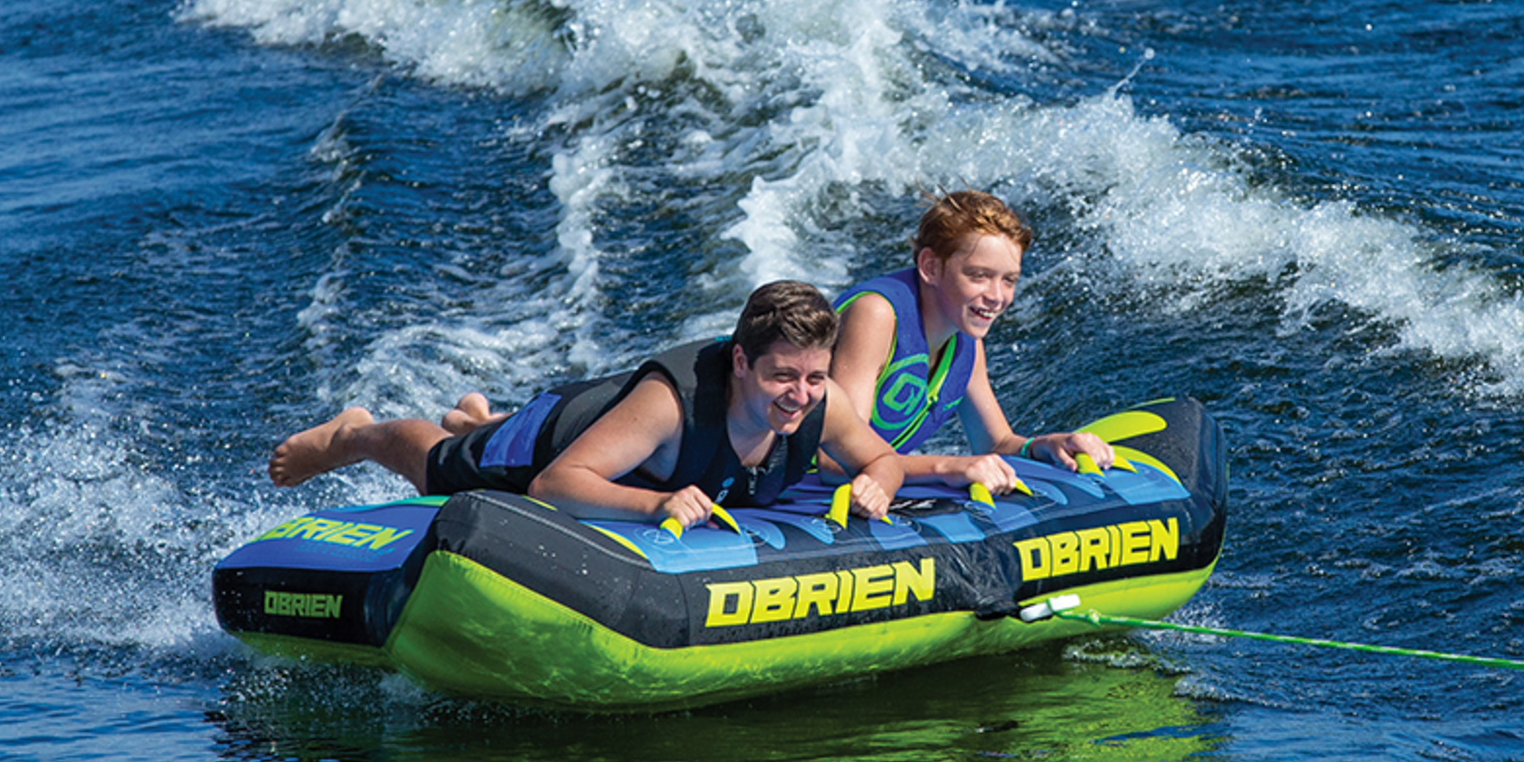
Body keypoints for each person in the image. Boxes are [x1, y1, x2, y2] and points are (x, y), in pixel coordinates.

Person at [267, 281, 907, 528]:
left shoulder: (822, 401)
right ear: (740, 362)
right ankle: (356, 435)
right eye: (782, 377)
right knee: (443, 466)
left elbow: (885, 460)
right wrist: (655, 503)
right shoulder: (671, 406)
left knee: (481, 432)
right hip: (558, 435)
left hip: (614, 435)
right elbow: (554, 483)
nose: (800, 395)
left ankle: (475, 416)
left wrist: (876, 484)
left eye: (815, 378)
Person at [830, 190, 1114, 494]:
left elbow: (995, 443)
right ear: (931, 267)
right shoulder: (876, 315)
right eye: (979, 276)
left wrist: (1047, 445)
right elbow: (833, 462)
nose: (996, 296)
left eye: (1009, 280)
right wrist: (948, 467)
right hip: (784, 485)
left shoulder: (964, 340)